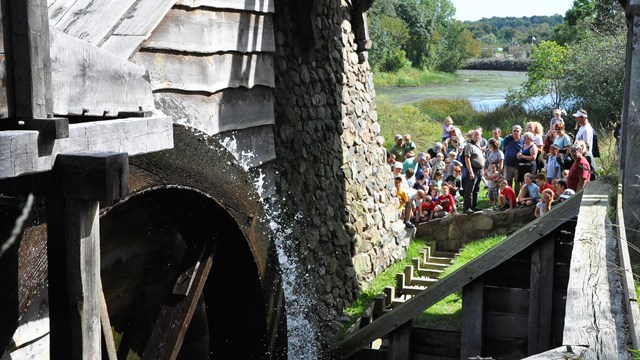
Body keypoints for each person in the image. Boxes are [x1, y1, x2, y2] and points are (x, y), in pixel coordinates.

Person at [462, 129, 485, 214]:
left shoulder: (478, 146)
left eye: (478, 135)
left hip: (479, 170)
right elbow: (467, 158)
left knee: (477, 189)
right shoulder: (469, 146)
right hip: (473, 170)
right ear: (471, 135)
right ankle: (466, 208)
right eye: (475, 134)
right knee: (469, 189)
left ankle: (474, 206)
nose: (477, 136)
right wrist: (470, 171)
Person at [503, 125, 524, 190]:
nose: (515, 132)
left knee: (518, 182)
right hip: (508, 165)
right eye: (514, 131)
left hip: (518, 165)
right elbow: (503, 149)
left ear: (520, 132)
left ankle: (516, 197)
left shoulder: (523, 140)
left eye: (517, 131)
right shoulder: (507, 138)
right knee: (508, 182)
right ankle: (509, 197)